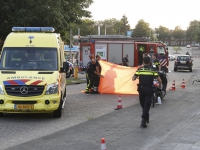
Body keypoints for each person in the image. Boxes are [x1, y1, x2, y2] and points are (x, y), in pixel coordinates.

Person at [132, 56, 162, 128]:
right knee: (147, 105)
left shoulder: (140, 69)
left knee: (143, 104)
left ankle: (143, 120)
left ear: (143, 62)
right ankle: (146, 116)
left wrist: (138, 76)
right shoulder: (153, 70)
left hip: (141, 89)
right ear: (150, 62)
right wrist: (160, 86)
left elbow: (133, 78)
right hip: (149, 89)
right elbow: (159, 80)